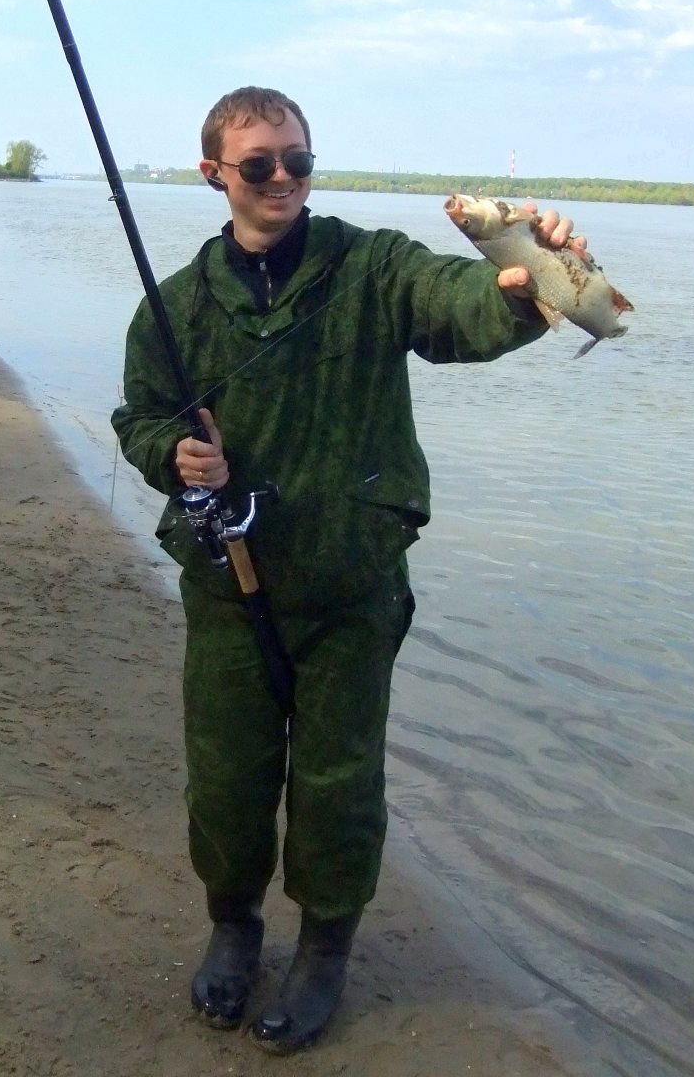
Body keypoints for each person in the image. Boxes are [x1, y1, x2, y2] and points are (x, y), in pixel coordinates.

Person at [111, 85, 584, 1054]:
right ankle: (234, 928)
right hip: (226, 585)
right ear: (216, 176)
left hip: (352, 581)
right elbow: (142, 416)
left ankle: (325, 950)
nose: (283, 177)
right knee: (231, 777)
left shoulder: (370, 266)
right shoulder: (174, 308)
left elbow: (460, 311)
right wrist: (176, 456)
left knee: (337, 779)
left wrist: (529, 279)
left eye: (298, 160)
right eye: (259, 165)